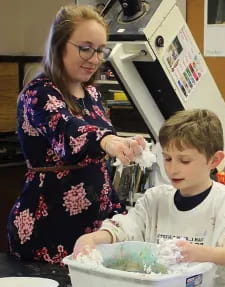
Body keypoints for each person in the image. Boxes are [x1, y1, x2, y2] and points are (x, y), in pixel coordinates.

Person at [73, 109, 225, 287]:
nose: (173, 168)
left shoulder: (224, 202)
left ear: (214, 160)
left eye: (185, 160)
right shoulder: (155, 199)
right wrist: (91, 240)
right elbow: (124, 229)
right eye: (167, 158)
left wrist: (198, 253)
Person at [6, 5, 145, 264]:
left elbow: (97, 162)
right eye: (85, 48)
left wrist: (118, 214)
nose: (94, 58)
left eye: (100, 50)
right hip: (49, 227)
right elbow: (68, 132)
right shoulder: (38, 93)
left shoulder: (92, 94)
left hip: (93, 225)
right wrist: (108, 140)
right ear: (59, 45)